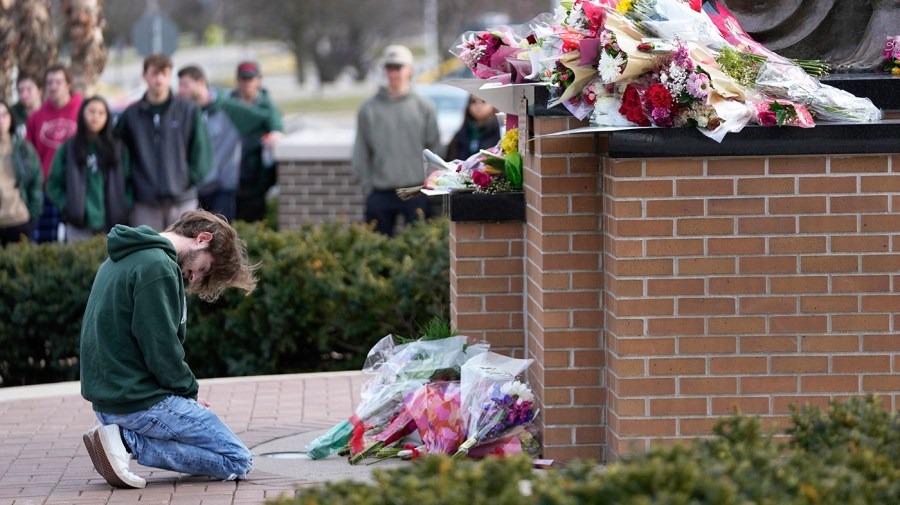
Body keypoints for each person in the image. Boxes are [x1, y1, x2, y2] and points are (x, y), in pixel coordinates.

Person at [80, 209, 258, 489]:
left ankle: (119, 438)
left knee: (222, 450)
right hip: (138, 401)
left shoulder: (123, 258)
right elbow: (160, 345)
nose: (194, 278)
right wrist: (187, 393)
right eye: (204, 268)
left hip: (112, 399)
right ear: (202, 238)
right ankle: (127, 441)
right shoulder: (157, 266)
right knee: (238, 459)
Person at [352, 44, 441, 236]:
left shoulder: (424, 107)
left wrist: (431, 183)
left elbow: (434, 148)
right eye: (390, 68)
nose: (394, 73)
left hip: (416, 190)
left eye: (398, 67)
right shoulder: (368, 109)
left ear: (409, 69)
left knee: (418, 249)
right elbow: (361, 151)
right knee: (378, 252)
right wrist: (368, 187)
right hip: (380, 191)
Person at [116, 54, 212, 230]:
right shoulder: (130, 115)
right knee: (147, 253)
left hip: (182, 200)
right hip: (145, 202)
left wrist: (187, 180)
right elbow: (121, 155)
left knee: (183, 254)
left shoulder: (188, 110)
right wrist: (131, 187)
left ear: (170, 77)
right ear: (144, 76)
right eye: (154, 73)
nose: (159, 79)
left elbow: (201, 150)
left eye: (164, 74)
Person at [177, 65, 278, 222]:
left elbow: (266, 117)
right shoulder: (185, 111)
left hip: (221, 189)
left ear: (201, 82)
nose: (180, 90)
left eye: (185, 85)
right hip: (193, 190)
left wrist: (276, 132)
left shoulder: (228, 108)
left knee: (219, 240)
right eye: (180, 85)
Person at [46, 96, 131, 242]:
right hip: (78, 224)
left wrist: (124, 206)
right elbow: (53, 183)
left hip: (112, 225)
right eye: (91, 111)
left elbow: (129, 181)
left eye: (101, 113)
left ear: (107, 117)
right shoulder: (69, 147)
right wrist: (68, 206)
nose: (96, 116)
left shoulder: (118, 147)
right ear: (82, 114)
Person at [26, 64, 84, 243]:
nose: (53, 86)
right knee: (46, 247)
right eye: (49, 82)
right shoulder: (36, 117)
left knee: (79, 246)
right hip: (46, 192)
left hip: (77, 189)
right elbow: (29, 157)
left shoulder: (83, 110)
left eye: (58, 82)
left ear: (69, 84)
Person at [230, 61, 283, 223]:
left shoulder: (267, 107)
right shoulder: (228, 104)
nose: (247, 83)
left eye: (250, 79)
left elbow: (277, 130)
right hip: (229, 176)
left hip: (255, 177)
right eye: (243, 79)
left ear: (258, 80)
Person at [0, 101, 42, 246]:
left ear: (11, 117)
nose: (1, 120)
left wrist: (32, 214)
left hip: (20, 220)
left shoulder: (23, 148)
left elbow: (36, 180)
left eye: (4, 114)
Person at [446, 95, 501, 161]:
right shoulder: (462, 133)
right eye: (473, 101)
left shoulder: (499, 133)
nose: (478, 105)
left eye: (483, 101)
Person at [11, 74, 43, 139]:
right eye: (21, 91)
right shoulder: (11, 114)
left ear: (40, 91)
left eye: (29, 89)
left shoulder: (50, 112)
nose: (24, 95)